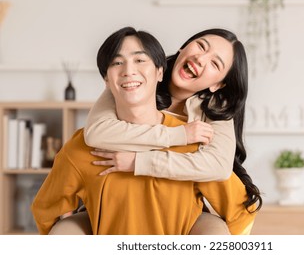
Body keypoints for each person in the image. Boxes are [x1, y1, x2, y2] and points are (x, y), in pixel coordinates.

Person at [31, 26, 258, 235]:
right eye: (200, 46)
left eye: (215, 63)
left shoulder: (210, 122)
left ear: (218, 84)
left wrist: (138, 162)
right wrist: (178, 135)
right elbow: (95, 134)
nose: (200, 57)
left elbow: (220, 172)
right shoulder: (131, 80)